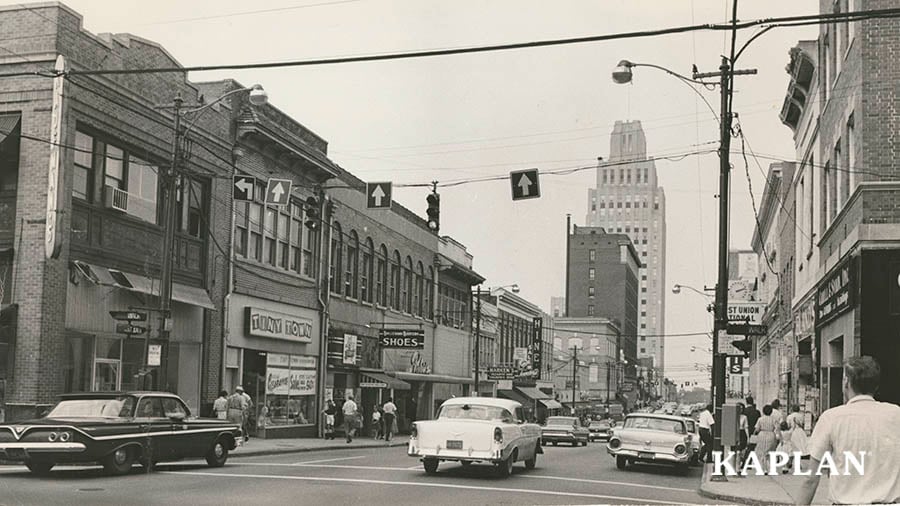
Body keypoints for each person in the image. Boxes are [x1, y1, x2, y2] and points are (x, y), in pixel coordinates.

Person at [797, 356, 900, 505]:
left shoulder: (831, 418)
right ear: (876, 385)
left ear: (846, 382)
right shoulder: (895, 414)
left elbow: (811, 479)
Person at [752, 404, 780, 472]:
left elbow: (757, 429)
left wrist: (754, 433)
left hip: (762, 435)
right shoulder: (774, 419)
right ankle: (770, 467)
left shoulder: (760, 419)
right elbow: (777, 428)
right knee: (770, 452)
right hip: (771, 434)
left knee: (762, 452)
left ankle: (764, 468)